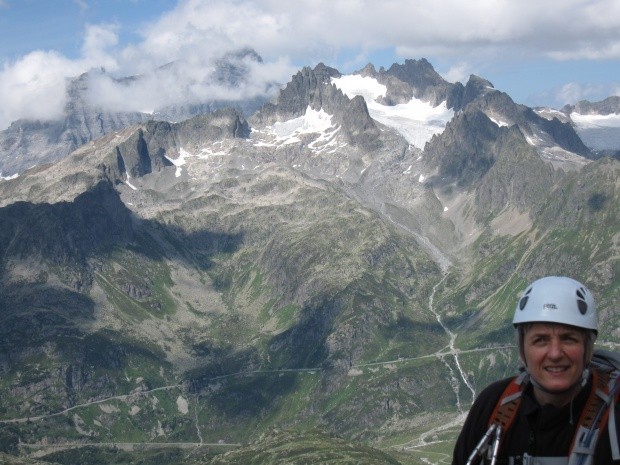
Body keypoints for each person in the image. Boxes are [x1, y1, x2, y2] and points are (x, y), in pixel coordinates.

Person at [451, 276, 620, 465]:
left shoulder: (615, 413)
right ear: (523, 350)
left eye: (569, 339)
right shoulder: (491, 405)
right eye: (540, 340)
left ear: (588, 349)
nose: (555, 353)